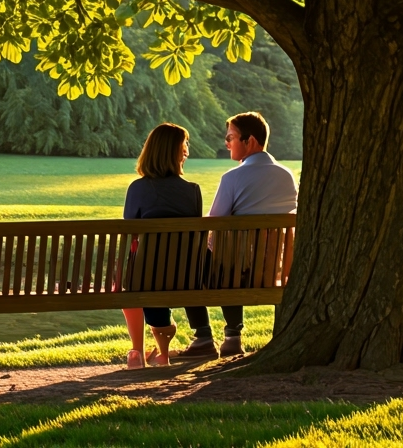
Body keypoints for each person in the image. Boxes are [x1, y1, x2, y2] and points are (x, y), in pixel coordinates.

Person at [201, 111, 298, 358]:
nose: (227, 143)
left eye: (231, 137)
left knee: (219, 256)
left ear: (250, 141)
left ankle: (229, 334)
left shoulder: (233, 177)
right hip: (274, 268)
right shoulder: (287, 175)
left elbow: (215, 223)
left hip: (236, 272)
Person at [120, 123, 211, 368]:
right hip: (185, 277)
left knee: (133, 278)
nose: (187, 153)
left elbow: (130, 235)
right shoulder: (193, 191)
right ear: (175, 153)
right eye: (184, 147)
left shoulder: (138, 188)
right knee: (154, 272)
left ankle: (136, 352)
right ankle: (162, 353)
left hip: (145, 278)